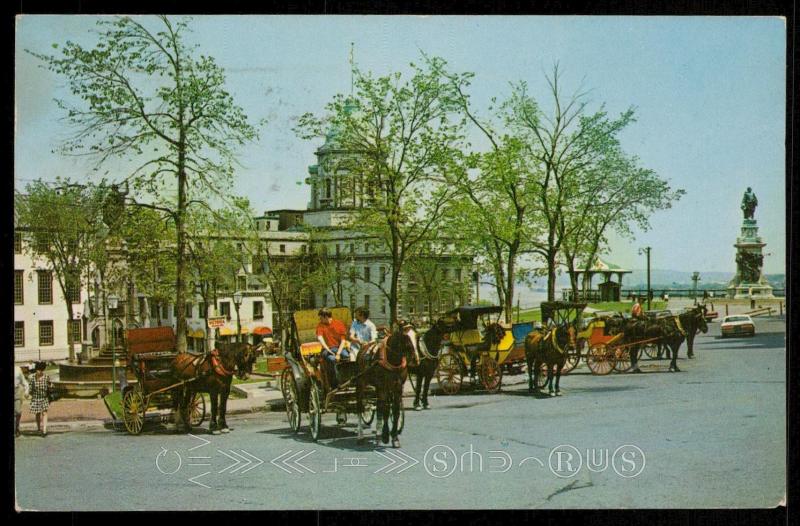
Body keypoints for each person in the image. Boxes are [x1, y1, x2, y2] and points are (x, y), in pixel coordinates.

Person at [316, 308, 350, 388]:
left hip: (339, 348)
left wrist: (338, 353)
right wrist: (328, 350)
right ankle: (336, 383)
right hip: (327, 349)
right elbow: (320, 339)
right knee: (332, 359)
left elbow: (343, 340)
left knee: (346, 357)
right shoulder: (320, 325)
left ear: (326, 317)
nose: (320, 319)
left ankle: (347, 379)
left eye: (321, 318)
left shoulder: (338, 323)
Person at [28, 362, 53, 437]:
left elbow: (50, 385)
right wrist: (29, 394)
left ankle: (44, 430)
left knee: (44, 413)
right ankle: (39, 428)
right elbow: (30, 388)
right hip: (36, 398)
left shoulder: (46, 377)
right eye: (38, 370)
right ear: (36, 370)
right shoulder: (32, 378)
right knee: (37, 413)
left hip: (44, 398)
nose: (39, 371)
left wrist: (51, 386)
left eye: (41, 370)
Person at [14, 365, 30, 438]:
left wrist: (27, 391)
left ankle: (17, 427)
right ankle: (15, 430)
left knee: (18, 411)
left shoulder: (17, 369)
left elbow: (23, 381)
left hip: (16, 391)